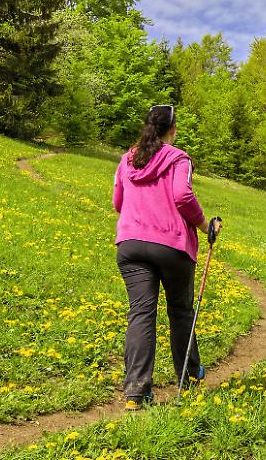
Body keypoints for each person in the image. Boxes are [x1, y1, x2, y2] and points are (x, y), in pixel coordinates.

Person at [111, 104, 213, 409]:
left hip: (131, 244)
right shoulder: (179, 158)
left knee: (141, 313)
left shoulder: (128, 159)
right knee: (180, 311)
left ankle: (135, 393)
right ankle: (190, 378)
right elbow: (182, 195)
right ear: (172, 129)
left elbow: (117, 202)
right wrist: (205, 225)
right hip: (171, 245)